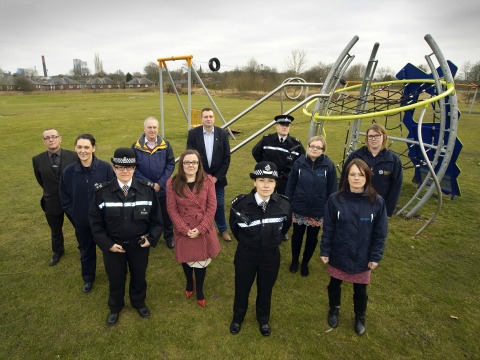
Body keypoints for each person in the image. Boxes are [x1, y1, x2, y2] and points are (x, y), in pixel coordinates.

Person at [89, 148, 163, 326]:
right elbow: (95, 224)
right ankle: (115, 306)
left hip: (139, 245)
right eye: (120, 167)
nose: (124, 171)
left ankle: (138, 302)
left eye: (128, 167)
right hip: (114, 246)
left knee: (139, 276)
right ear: (113, 168)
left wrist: (151, 239)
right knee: (115, 278)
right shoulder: (102, 192)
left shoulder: (147, 191)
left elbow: (157, 221)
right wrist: (107, 245)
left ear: (135, 168)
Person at [320, 158, 388, 336]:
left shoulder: (377, 202)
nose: (356, 178)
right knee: (334, 284)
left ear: (367, 177)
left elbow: (380, 233)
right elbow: (328, 227)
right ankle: (334, 309)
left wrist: (375, 256)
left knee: (360, 290)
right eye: (352, 174)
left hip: (362, 255)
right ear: (346, 177)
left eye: (360, 174)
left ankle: (360, 316)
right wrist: (325, 250)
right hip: (339, 251)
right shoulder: (335, 200)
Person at [228, 161, 292, 337]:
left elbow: (284, 228)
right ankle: (237, 318)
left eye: (270, 181)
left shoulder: (284, 205)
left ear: (276, 183)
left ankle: (263, 319)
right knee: (242, 288)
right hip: (246, 255)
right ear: (254, 182)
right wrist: (250, 242)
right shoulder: (240, 204)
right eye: (261, 180)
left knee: (265, 289)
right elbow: (235, 228)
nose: (266, 185)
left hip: (270, 256)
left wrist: (272, 242)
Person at [60, 134, 115, 293]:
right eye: (79, 147)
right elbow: (64, 197)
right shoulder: (69, 171)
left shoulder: (105, 168)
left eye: (86, 147)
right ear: (75, 148)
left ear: (93, 148)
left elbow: (113, 192)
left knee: (108, 250)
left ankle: (113, 274)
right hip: (82, 222)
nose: (83, 151)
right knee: (86, 251)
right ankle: (88, 277)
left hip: (104, 222)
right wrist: (75, 214)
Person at [166, 149, 221, 308]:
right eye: (187, 162)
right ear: (181, 164)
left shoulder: (208, 181)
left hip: (202, 227)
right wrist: (183, 229)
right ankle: (189, 283)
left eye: (194, 162)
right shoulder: (172, 183)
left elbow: (212, 207)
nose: (191, 165)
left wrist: (202, 227)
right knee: (186, 258)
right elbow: (171, 209)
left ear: (199, 164)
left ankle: (200, 290)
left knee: (201, 261)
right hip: (183, 227)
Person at [285, 135, 337, 277]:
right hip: (299, 207)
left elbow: (333, 190)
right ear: (308, 147)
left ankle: (305, 263)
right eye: (312, 146)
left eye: (318, 147)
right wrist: (288, 203)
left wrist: (330, 208)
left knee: (312, 239)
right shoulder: (299, 163)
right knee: (297, 236)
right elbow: (291, 185)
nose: (314, 149)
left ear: (323, 150)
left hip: (318, 209)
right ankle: (295, 260)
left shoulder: (329, 166)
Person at [32, 129, 77, 266]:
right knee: (55, 230)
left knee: (80, 226)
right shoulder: (37, 159)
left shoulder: (73, 156)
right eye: (47, 138)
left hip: (72, 201)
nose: (51, 140)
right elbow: (40, 180)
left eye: (53, 137)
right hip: (51, 201)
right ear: (44, 141)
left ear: (60, 139)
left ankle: (84, 248)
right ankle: (58, 251)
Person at [186, 108, 232, 242]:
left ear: (214, 118)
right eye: (205, 116)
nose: (208, 119)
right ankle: (198, 228)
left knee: (219, 204)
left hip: (218, 180)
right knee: (199, 206)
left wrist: (217, 177)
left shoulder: (222, 133)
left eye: (211, 116)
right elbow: (190, 156)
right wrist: (202, 176)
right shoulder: (193, 134)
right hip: (199, 178)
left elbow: (226, 158)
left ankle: (222, 229)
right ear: (201, 119)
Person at [339, 123, 403, 217]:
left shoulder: (393, 160)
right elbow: (344, 179)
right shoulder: (356, 156)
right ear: (367, 138)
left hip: (378, 206)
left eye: (377, 136)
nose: (374, 139)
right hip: (355, 203)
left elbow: (396, 187)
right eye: (371, 136)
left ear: (384, 137)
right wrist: (342, 201)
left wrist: (387, 210)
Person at [132, 116, 175, 248]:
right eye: (149, 127)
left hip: (162, 188)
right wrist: (150, 184)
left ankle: (169, 236)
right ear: (144, 129)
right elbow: (134, 168)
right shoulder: (136, 146)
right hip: (144, 189)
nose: (152, 130)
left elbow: (170, 164)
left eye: (154, 127)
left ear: (158, 128)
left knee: (165, 214)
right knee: (146, 213)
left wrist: (160, 183)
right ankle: (148, 237)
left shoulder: (165, 144)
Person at [252, 114, 305, 195]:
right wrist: (264, 164)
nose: (285, 127)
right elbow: (256, 152)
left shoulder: (296, 144)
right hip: (268, 176)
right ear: (276, 126)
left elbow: (302, 161)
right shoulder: (267, 140)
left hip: (286, 180)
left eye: (287, 125)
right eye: (282, 125)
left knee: (283, 202)